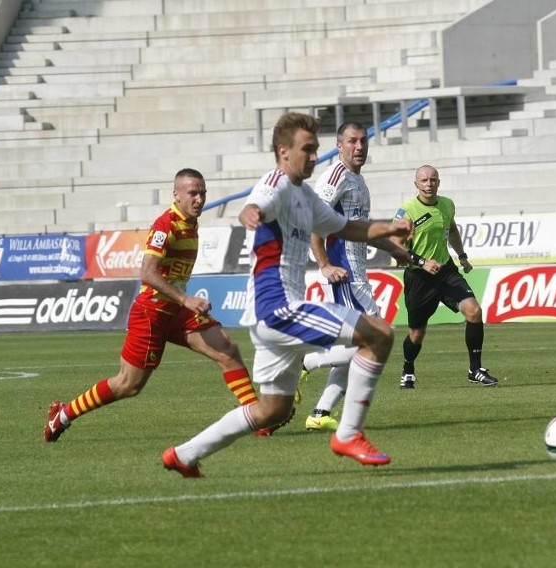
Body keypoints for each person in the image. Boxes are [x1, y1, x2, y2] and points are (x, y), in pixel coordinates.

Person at [161, 113, 412, 477]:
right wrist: (250, 212)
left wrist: (390, 227)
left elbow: (347, 227)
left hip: (273, 318)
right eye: (307, 150)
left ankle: (183, 455)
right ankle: (349, 433)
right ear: (284, 152)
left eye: (315, 150)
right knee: (379, 334)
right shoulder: (276, 183)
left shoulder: (305, 196)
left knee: (272, 410)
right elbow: (258, 202)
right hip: (280, 309)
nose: (314, 158)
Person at [44, 168, 261, 443]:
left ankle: (259, 418)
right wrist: (185, 299)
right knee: (129, 384)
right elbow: (147, 273)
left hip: (176, 311)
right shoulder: (166, 225)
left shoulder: (190, 222)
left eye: (202, 193)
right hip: (153, 311)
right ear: (177, 195)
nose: (199, 199)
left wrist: (182, 301)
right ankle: (63, 414)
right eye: (193, 193)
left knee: (227, 350)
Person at [300, 122, 410, 432]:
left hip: (358, 271)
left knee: (362, 343)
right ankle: (306, 363)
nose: (359, 146)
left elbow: (360, 231)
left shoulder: (359, 183)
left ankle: (320, 412)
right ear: (339, 146)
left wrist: (395, 251)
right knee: (376, 336)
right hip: (344, 272)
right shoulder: (335, 177)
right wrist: (323, 264)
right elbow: (314, 221)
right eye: (352, 141)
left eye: (363, 140)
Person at [391, 164, 499, 390]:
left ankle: (475, 369)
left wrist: (462, 256)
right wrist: (422, 262)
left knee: (474, 311)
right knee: (416, 334)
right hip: (419, 277)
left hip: (446, 271)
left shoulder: (447, 205)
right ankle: (408, 367)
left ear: (438, 182)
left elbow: (453, 230)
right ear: (416, 184)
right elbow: (395, 247)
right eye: (424, 181)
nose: (429, 184)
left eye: (433, 180)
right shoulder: (407, 211)